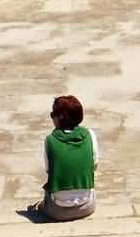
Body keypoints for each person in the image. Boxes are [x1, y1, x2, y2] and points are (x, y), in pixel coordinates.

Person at [40, 94, 99, 222]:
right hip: (87, 206)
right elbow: (94, 165)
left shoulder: (50, 141)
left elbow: (49, 171)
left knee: (43, 200)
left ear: (60, 117)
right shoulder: (90, 135)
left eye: (53, 114)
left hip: (57, 210)